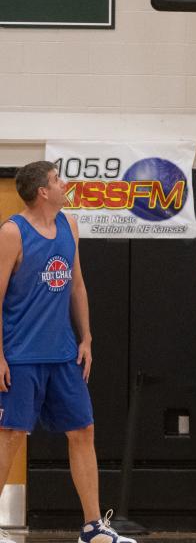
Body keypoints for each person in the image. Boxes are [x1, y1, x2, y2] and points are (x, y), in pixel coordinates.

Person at [0, 161, 134, 543]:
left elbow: (76, 285)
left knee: (83, 431)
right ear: (43, 191)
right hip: (21, 355)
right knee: (9, 435)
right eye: (58, 179)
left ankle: (93, 528)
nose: (64, 184)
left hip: (62, 354)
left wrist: (86, 337)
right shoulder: (12, 233)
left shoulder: (68, 225)